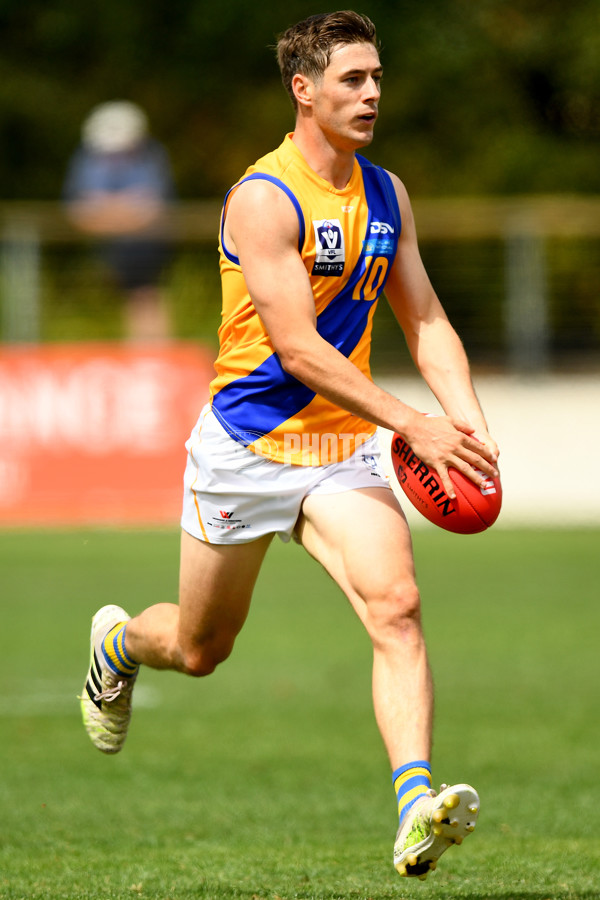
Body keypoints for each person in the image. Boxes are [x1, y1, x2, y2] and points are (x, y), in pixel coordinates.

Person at [79, 12, 499, 881]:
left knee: (398, 603)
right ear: (303, 89)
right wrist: (412, 423)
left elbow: (423, 317)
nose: (372, 92)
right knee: (200, 650)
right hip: (245, 448)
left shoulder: (388, 193)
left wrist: (466, 421)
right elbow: (300, 351)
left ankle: (415, 806)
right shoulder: (264, 197)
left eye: (378, 77)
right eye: (352, 79)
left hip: (341, 452)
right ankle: (119, 646)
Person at [63, 101, 175, 341]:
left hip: (144, 253)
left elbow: (151, 208)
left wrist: (106, 213)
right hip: (106, 253)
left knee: (145, 300)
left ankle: (153, 360)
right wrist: (125, 212)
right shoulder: (88, 158)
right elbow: (79, 210)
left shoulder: (151, 156)